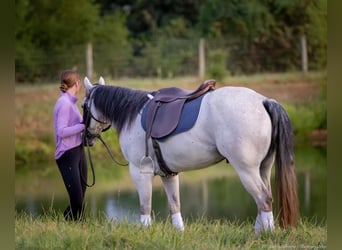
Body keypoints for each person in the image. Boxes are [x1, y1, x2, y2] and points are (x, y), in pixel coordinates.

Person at [53, 69, 87, 221]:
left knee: (80, 196)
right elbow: (61, 131)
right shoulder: (64, 103)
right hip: (67, 154)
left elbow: (78, 125)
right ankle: (68, 223)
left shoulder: (72, 103)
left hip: (78, 151)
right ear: (77, 83)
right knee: (77, 200)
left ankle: (72, 223)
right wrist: (83, 126)